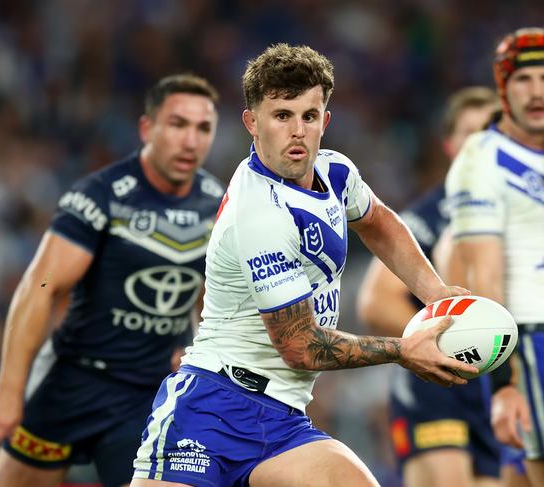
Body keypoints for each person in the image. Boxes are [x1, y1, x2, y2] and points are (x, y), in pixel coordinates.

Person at [130, 43, 479, 487]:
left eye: (309, 116)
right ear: (252, 122)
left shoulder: (335, 173)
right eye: (281, 116)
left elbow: (376, 220)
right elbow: (300, 346)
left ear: (325, 121)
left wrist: (434, 293)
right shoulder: (259, 214)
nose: (297, 131)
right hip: (208, 411)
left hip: (282, 419)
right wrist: (402, 350)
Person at [0, 73, 225, 487]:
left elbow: (214, 303)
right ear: (147, 128)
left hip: (147, 394)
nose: (191, 141)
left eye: (203, 128)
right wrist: (9, 389)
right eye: (178, 124)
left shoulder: (220, 206)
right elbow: (40, 287)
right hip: (72, 380)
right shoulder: (100, 196)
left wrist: (197, 352)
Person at [357, 87, 502, 487]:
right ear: (449, 146)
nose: (480, 144)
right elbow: (375, 301)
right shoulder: (429, 215)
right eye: (469, 133)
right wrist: (445, 348)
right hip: (436, 386)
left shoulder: (521, 214)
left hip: (496, 386)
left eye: (490, 131)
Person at [445, 27, 544, 485]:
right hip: (532, 346)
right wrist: (503, 386)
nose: (537, 91)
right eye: (524, 78)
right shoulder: (482, 158)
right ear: (503, 86)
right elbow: (484, 278)